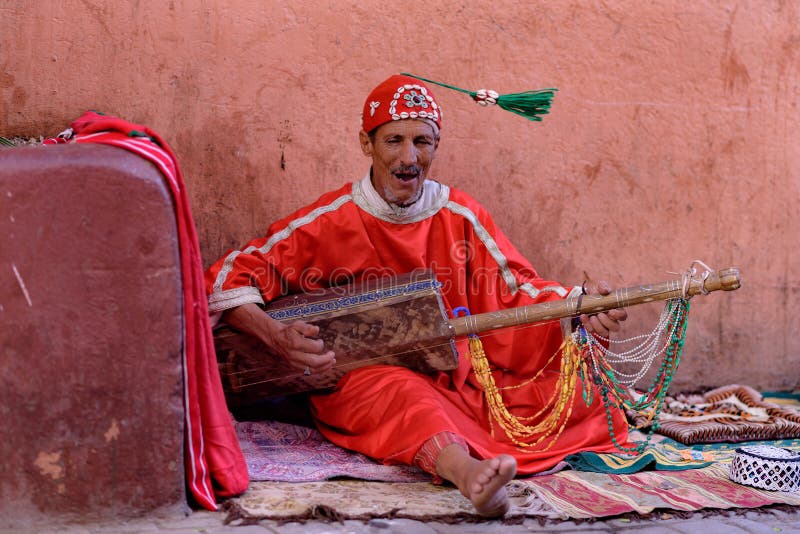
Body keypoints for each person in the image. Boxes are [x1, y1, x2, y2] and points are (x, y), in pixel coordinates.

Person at [205, 74, 628, 517]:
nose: (408, 158)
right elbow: (228, 278)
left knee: (585, 399)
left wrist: (578, 306)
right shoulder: (328, 220)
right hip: (370, 378)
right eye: (393, 140)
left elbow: (516, 290)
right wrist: (273, 335)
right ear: (366, 145)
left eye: (422, 142)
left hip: (460, 373)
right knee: (404, 397)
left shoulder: (460, 214)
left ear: (436, 146)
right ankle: (469, 476)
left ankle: (484, 456)